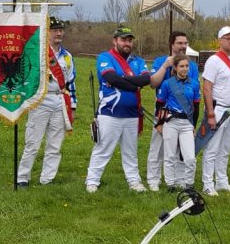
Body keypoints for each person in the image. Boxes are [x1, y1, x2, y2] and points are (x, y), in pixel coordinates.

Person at [85, 27, 152, 193]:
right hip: (110, 112)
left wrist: (124, 79)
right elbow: (111, 78)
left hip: (131, 114)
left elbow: (145, 79)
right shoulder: (105, 57)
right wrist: (132, 83)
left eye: (129, 40)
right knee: (103, 149)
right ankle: (92, 181)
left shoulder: (137, 60)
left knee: (131, 151)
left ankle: (134, 181)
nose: (127, 43)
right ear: (115, 41)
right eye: (123, 40)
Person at [17, 17, 76, 187]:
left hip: (59, 100)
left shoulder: (67, 57)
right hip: (40, 100)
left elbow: (71, 82)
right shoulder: (37, 52)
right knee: (32, 142)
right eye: (55, 29)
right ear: (46, 31)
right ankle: (22, 177)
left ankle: (47, 178)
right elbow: (25, 76)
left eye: (61, 29)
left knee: (55, 143)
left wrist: (72, 105)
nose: (59, 33)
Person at [147, 31, 197, 191]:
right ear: (172, 44)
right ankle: (153, 180)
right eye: (179, 43)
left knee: (182, 151)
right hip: (163, 111)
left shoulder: (192, 66)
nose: (183, 46)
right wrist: (165, 66)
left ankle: (180, 179)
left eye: (185, 43)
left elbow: (192, 89)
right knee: (158, 147)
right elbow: (153, 83)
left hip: (185, 114)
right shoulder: (160, 61)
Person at [200, 26, 230, 196]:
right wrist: (210, 114)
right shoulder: (214, 61)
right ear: (220, 41)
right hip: (217, 110)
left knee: (225, 149)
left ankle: (222, 181)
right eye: (228, 38)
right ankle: (207, 183)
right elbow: (207, 88)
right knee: (212, 149)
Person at [155, 55, 202, 191]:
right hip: (171, 122)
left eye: (187, 66)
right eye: (181, 66)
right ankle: (170, 184)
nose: (185, 69)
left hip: (187, 123)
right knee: (169, 155)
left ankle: (189, 184)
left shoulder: (194, 84)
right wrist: (159, 123)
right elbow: (160, 104)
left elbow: (196, 107)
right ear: (175, 68)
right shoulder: (167, 84)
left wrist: (193, 125)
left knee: (190, 158)